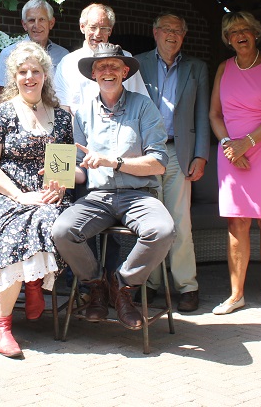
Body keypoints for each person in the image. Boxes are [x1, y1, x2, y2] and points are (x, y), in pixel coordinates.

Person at [52, 43, 176, 331]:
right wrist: (60, 174)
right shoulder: (82, 113)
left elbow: (158, 163)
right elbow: (81, 170)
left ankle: (121, 286)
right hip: (98, 196)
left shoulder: (143, 106)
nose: (107, 71)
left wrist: (114, 162)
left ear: (124, 72)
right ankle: (96, 284)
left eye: (114, 67)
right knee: (62, 231)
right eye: (101, 67)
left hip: (138, 195)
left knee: (163, 230)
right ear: (93, 74)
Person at [0, 41, 73, 358]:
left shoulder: (61, 118)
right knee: (14, 230)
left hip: (45, 193)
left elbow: (66, 166)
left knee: (49, 218)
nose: (29, 77)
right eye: (22, 72)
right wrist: (19, 195)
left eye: (35, 71)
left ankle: (33, 282)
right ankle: (2, 324)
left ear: (45, 75)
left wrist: (60, 186)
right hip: (6, 194)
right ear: (14, 77)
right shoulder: (1, 114)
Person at [208, 12, 261, 316]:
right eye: (233, 32)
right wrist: (229, 145)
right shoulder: (224, 68)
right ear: (227, 39)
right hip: (232, 153)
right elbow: (215, 114)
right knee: (237, 223)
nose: (240, 35)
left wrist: (248, 142)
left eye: (245, 30)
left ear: (256, 33)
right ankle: (236, 294)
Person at [136, 13, 210, 312]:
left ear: (184, 35)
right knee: (151, 220)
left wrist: (201, 155)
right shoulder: (138, 64)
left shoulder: (196, 67)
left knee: (180, 221)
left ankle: (187, 285)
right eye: (166, 29)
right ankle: (151, 283)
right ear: (155, 33)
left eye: (178, 30)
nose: (172, 35)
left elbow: (202, 113)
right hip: (146, 154)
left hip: (180, 153)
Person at [53, 2, 147, 114]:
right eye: (93, 27)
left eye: (103, 28)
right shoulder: (68, 63)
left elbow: (142, 102)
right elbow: (63, 108)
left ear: (110, 31)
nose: (98, 34)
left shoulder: (126, 59)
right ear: (82, 27)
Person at [0, 0, 69, 88]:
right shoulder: (9, 54)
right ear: (24, 25)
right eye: (31, 20)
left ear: (51, 23)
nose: (36, 25)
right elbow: (3, 93)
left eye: (42, 19)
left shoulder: (63, 56)